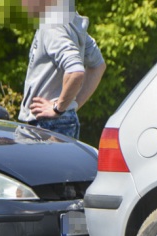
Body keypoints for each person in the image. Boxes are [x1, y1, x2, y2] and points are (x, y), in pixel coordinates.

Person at [18, 0, 106, 139]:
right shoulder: (70, 22)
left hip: (48, 124)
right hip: (58, 121)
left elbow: (75, 71)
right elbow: (98, 65)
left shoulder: (51, 26)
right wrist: (71, 105)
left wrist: (58, 108)